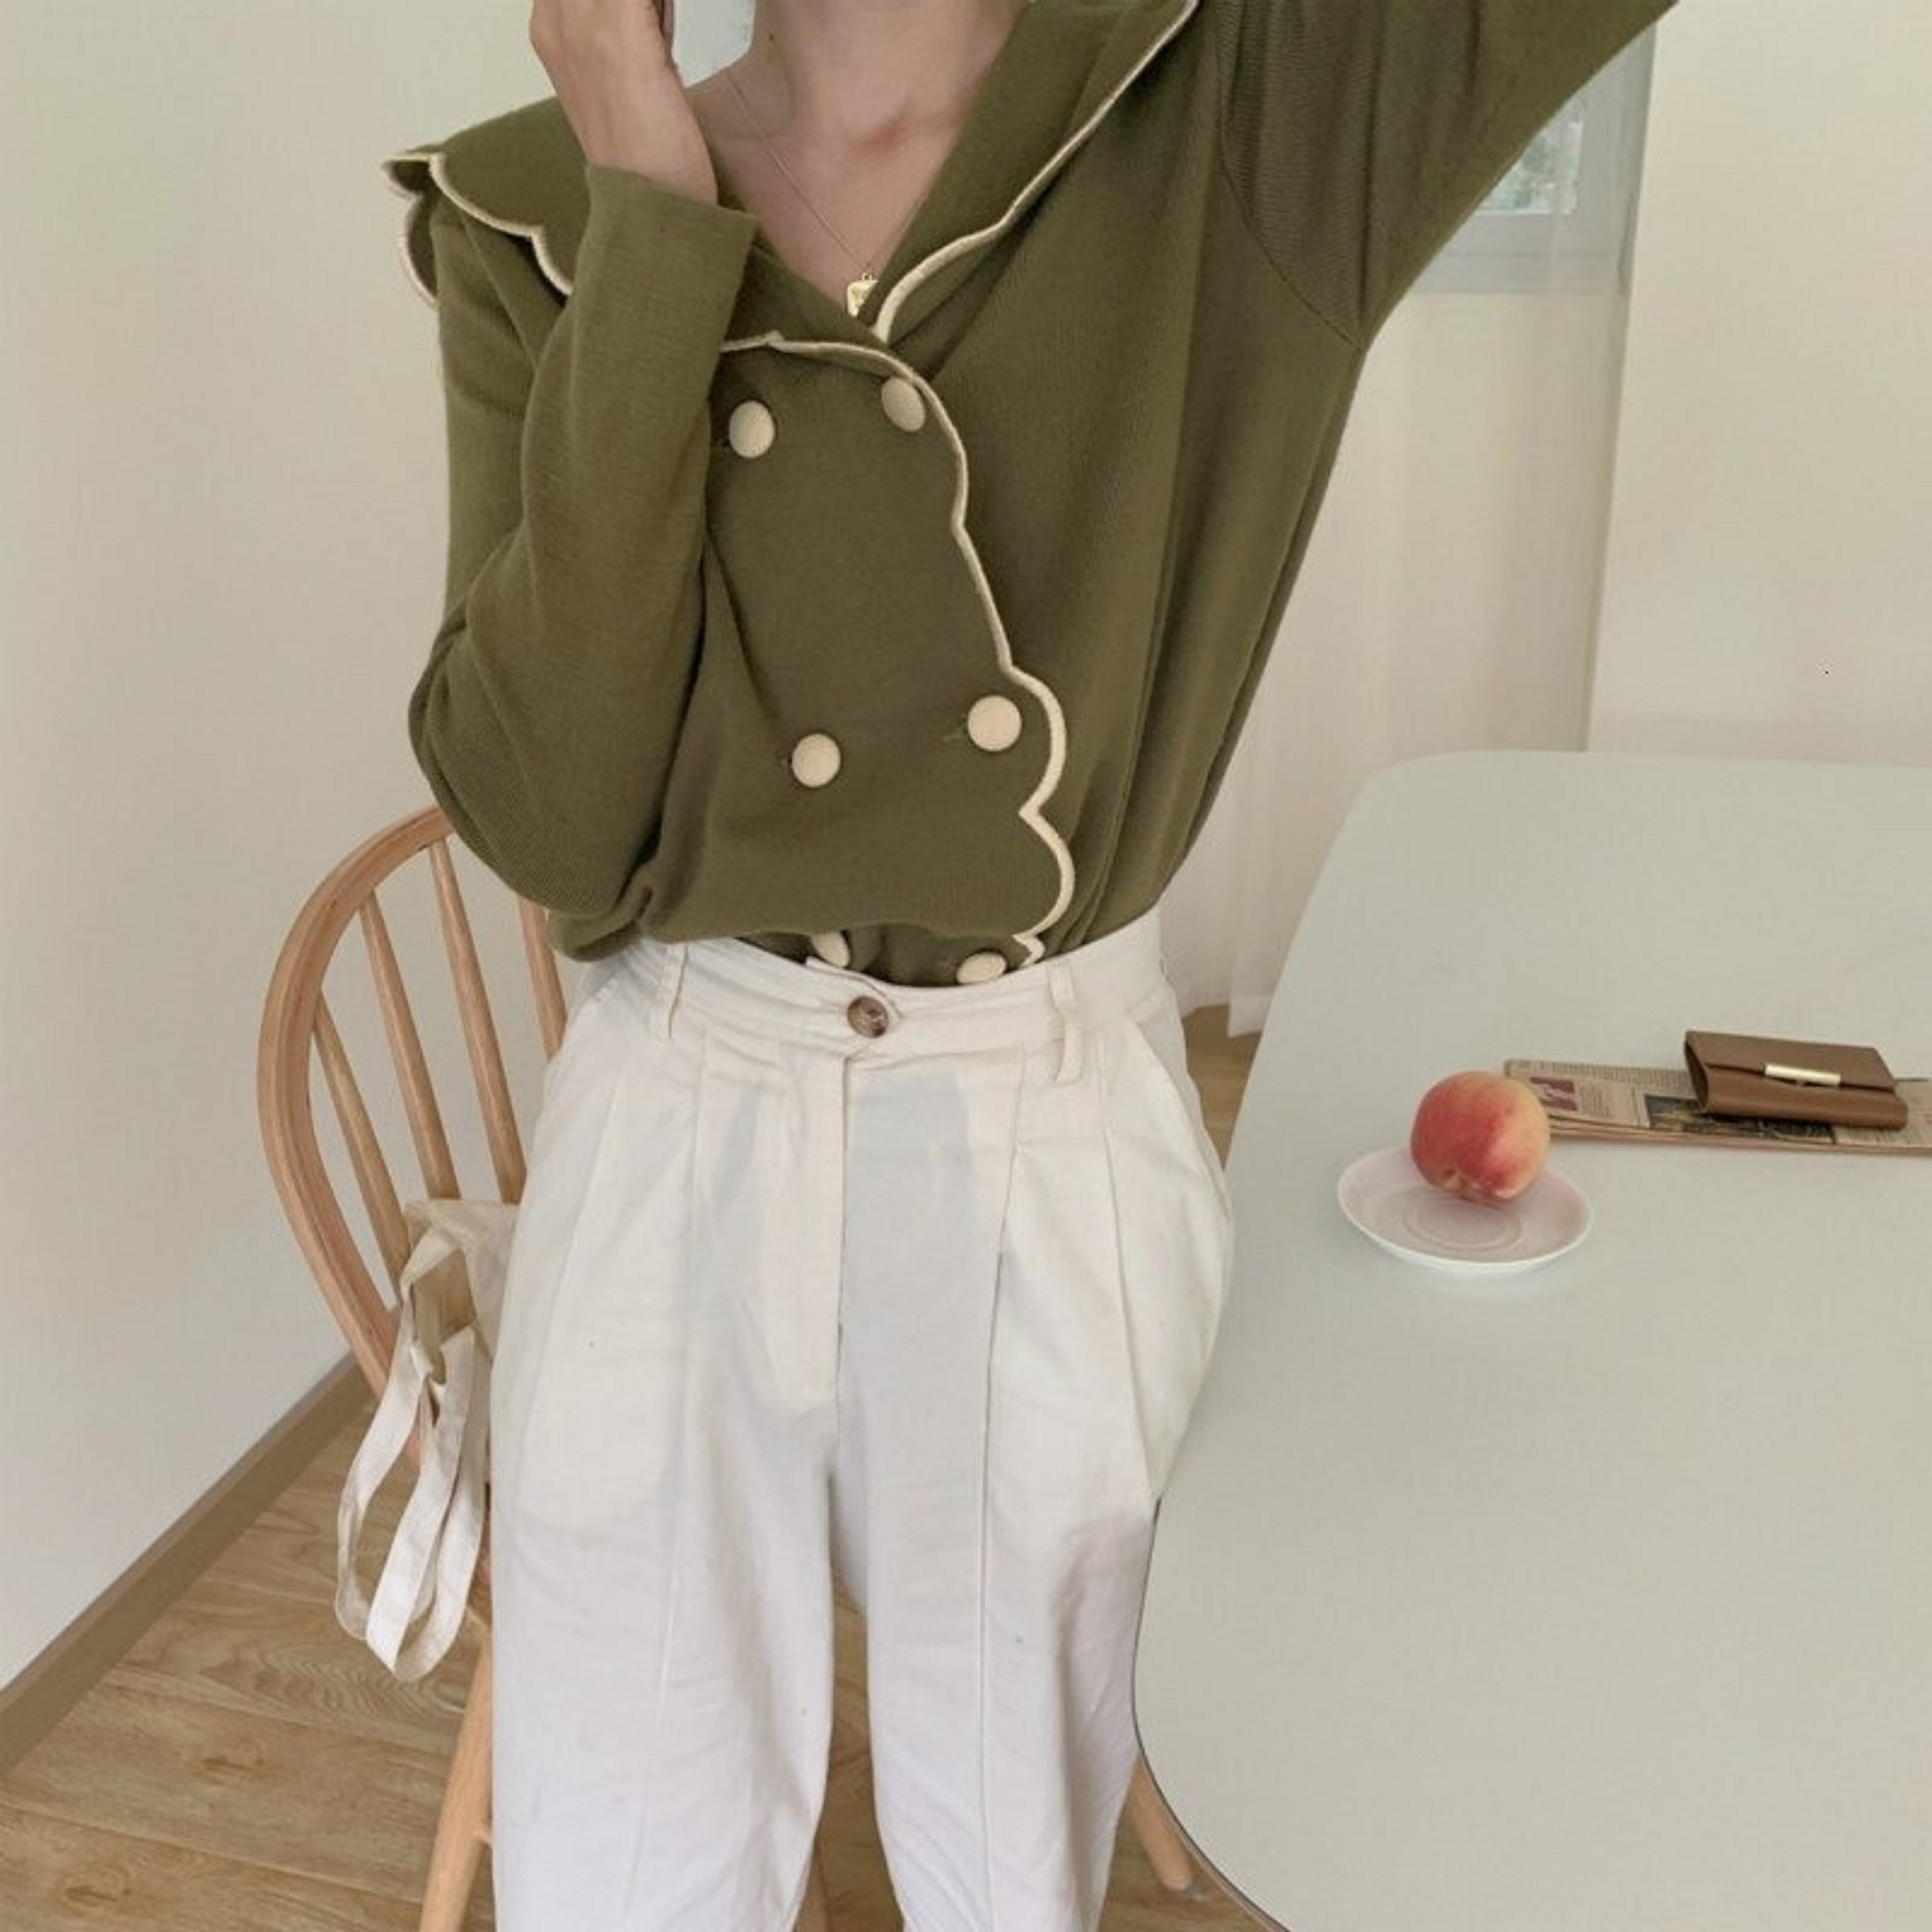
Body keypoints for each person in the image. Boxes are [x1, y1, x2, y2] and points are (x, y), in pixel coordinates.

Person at [378, 0, 1682, 1923]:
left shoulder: (1235, 112)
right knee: (631, 1862)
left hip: (1038, 1124)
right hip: (675, 1120)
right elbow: (547, 821)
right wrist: (648, 209)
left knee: (1013, 1855)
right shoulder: (537, 206)